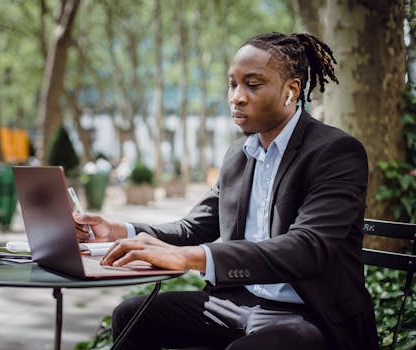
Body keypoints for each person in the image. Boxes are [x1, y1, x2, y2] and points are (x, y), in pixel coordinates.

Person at [74, 32, 378, 350]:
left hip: (309, 315)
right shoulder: (238, 155)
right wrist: (115, 229)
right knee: (131, 315)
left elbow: (305, 248)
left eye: (253, 84)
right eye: (232, 84)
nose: (236, 96)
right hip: (238, 303)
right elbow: (194, 227)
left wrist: (190, 258)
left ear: (291, 91)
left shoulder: (335, 151)